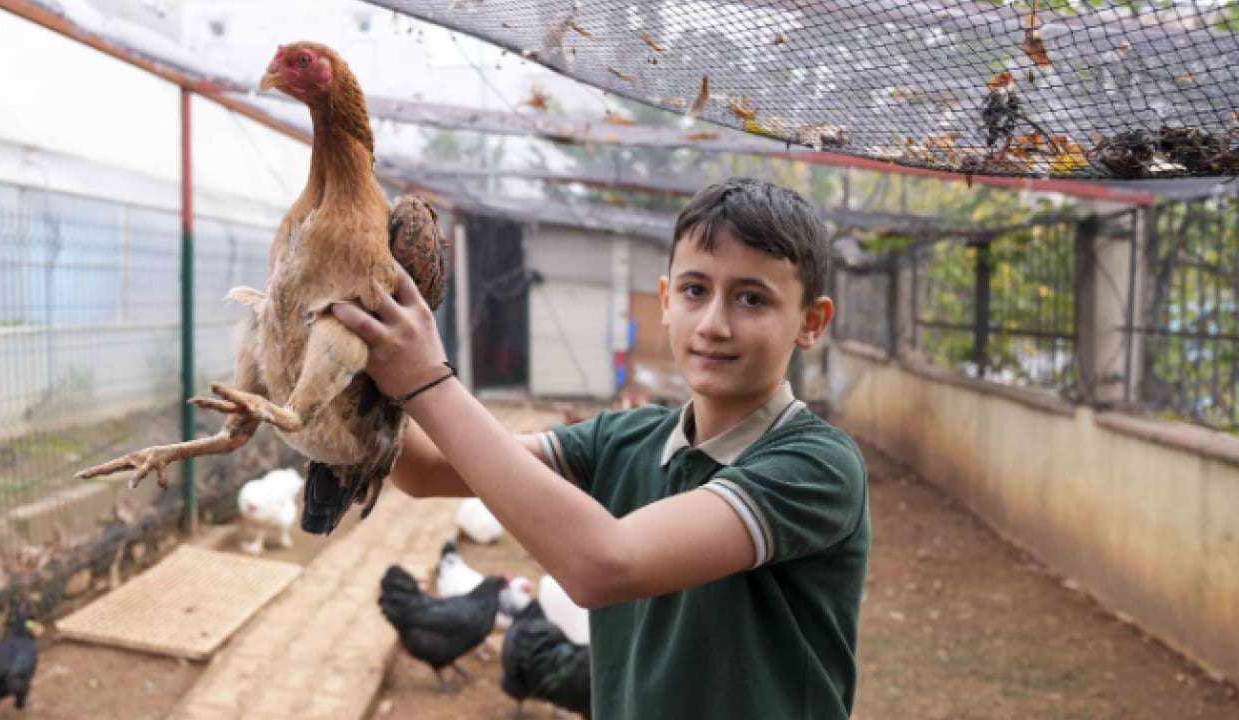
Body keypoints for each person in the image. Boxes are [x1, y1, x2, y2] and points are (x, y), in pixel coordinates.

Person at [332, 177, 870, 720]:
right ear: (665, 300)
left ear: (811, 322)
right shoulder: (625, 438)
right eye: (694, 290)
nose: (713, 324)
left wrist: (428, 381)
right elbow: (424, 469)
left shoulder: (817, 465)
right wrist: (344, 364)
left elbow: (603, 566)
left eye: (751, 298)